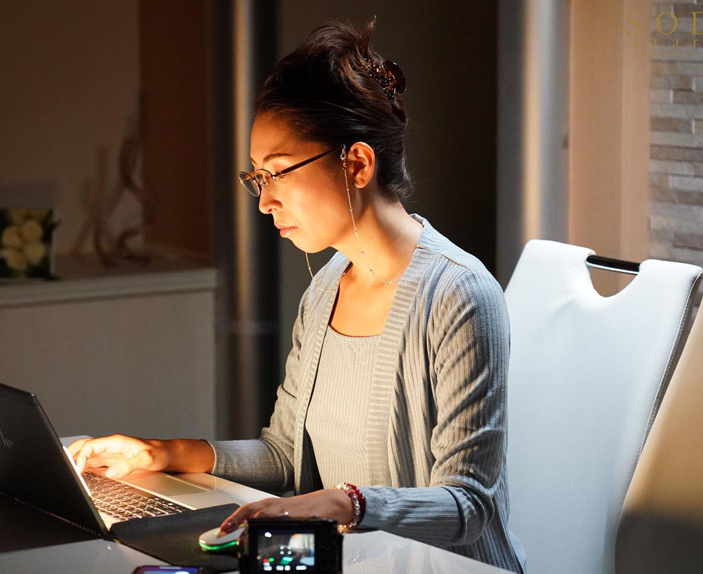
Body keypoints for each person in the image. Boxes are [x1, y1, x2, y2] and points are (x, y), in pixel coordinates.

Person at [68, 17, 526, 573]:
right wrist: (164, 454)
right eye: (257, 178)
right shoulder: (325, 289)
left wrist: (348, 502)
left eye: (279, 174)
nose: (265, 202)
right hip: (359, 563)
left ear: (356, 163)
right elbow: (285, 457)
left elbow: (469, 505)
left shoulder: (460, 294)